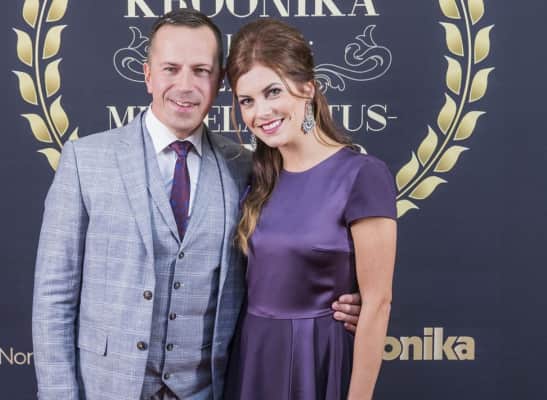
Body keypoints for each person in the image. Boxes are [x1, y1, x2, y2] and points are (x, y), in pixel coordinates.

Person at [32, 9, 362, 400]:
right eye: (171, 69)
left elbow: (282, 258)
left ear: (219, 81)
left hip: (210, 390)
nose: (185, 85)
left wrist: (336, 302)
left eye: (201, 71)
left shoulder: (245, 167)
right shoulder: (85, 161)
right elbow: (53, 298)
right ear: (148, 75)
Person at [223, 19, 397, 400]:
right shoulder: (255, 177)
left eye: (272, 91)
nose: (260, 112)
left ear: (307, 87)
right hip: (254, 357)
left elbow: (377, 304)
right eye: (247, 100)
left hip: (317, 356)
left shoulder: (362, 175)